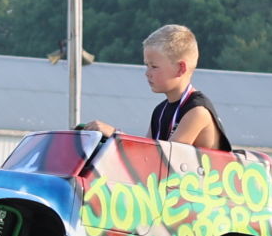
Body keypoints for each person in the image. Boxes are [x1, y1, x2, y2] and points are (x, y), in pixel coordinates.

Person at [82, 24, 232, 152]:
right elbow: (144, 155)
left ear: (181, 68)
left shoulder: (197, 112)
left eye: (154, 67)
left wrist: (115, 134)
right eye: (146, 65)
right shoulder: (160, 111)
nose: (147, 73)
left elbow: (164, 160)